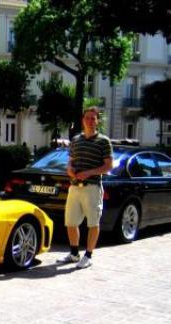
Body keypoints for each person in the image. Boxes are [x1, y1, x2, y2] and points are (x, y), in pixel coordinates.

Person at [57, 106, 113, 269]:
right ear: (83, 120)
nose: (89, 121)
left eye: (92, 118)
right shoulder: (76, 140)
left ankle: (88, 255)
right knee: (70, 222)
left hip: (92, 187)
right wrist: (70, 170)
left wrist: (89, 173)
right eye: (87, 118)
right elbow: (70, 161)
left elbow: (108, 166)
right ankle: (74, 253)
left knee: (93, 223)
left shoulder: (104, 141)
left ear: (97, 121)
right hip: (74, 187)